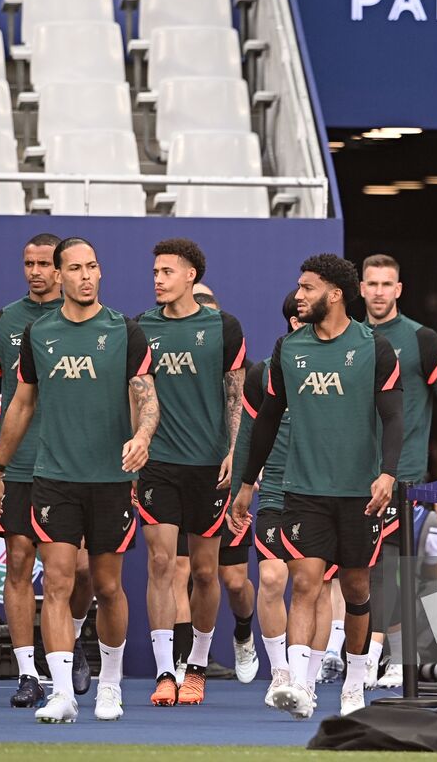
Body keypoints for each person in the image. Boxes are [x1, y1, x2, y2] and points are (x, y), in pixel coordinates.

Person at [230, 253, 405, 719]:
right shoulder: (289, 350)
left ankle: (353, 684)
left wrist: (388, 472)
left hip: (359, 493)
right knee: (305, 583)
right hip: (303, 490)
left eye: (307, 287)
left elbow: (393, 416)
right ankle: (300, 685)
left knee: (355, 589)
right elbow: (267, 421)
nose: (299, 295)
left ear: (334, 294)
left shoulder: (375, 347)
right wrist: (248, 482)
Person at [0, 237, 156, 724]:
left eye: (93, 267)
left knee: (106, 586)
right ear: (58, 277)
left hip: (109, 479)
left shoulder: (126, 331)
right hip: (53, 478)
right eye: (76, 268)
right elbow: (20, 403)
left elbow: (146, 397)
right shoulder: (39, 335)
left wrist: (143, 436)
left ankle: (109, 685)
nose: (86, 276)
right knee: (57, 582)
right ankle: (61, 693)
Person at [0, 234, 95, 708]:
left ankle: (71, 639)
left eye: (45, 264)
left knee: (80, 570)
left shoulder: (91, 320)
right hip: (18, 466)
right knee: (19, 561)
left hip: (75, 465)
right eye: (28, 263)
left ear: (64, 269)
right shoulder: (4, 322)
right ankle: (27, 674)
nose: (36, 272)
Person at [136, 239, 246, 707]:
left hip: (210, 467)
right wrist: (138, 448)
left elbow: (236, 397)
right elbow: (138, 397)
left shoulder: (223, 328)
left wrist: (236, 455)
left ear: (191, 276)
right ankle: (166, 671)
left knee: (205, 573)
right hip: (159, 464)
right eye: (155, 270)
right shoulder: (140, 328)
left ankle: (196, 666)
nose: (158, 278)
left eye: (167, 271)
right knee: (162, 564)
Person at [360, 254, 437, 689]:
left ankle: (392, 660)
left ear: (399, 289)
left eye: (386, 284)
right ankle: (366, 658)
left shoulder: (422, 339)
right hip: (353, 475)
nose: (378, 292)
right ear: (361, 289)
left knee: (396, 571)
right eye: (371, 284)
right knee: (360, 572)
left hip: (405, 476)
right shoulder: (349, 337)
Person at [234, 291, 303, 706]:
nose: (300, 325)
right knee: (274, 578)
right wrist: (244, 483)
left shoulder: (343, 366)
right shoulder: (263, 374)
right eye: (293, 319)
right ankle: (280, 673)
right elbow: (247, 433)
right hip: (276, 488)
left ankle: (308, 673)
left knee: (314, 584)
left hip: (324, 488)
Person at [190, 287, 259, 685]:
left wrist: (248, 469)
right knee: (184, 569)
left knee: (232, 580)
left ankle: (244, 631)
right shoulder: (172, 360)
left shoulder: (244, 370)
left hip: (227, 483)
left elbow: (255, 428)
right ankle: (187, 660)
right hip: (182, 476)